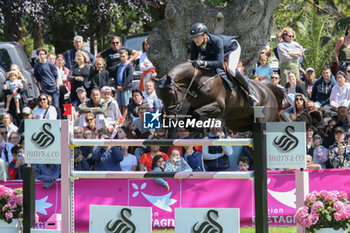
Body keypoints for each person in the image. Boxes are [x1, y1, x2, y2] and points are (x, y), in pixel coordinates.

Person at [189, 22, 259, 105]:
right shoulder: (194, 43)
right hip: (215, 53)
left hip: (231, 49)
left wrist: (202, 63)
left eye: (197, 36)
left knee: (231, 70)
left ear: (204, 35)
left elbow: (219, 63)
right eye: (194, 37)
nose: (195, 39)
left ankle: (250, 92)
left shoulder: (216, 41)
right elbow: (192, 62)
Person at [34, 47, 60, 117]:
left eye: (43, 54)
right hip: (44, 89)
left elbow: (56, 76)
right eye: (40, 54)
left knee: (56, 106)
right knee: (46, 107)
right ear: (38, 56)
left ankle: (59, 121)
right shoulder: (37, 66)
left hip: (54, 88)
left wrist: (57, 87)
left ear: (45, 55)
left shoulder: (50, 64)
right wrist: (41, 89)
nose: (42, 56)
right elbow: (38, 80)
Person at [115, 49, 134, 117]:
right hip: (118, 87)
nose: (122, 58)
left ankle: (123, 118)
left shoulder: (129, 65)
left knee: (125, 105)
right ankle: (119, 118)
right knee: (119, 104)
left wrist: (123, 86)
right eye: (121, 56)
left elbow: (129, 77)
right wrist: (117, 85)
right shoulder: (118, 66)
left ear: (127, 56)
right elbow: (116, 76)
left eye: (123, 56)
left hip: (125, 88)